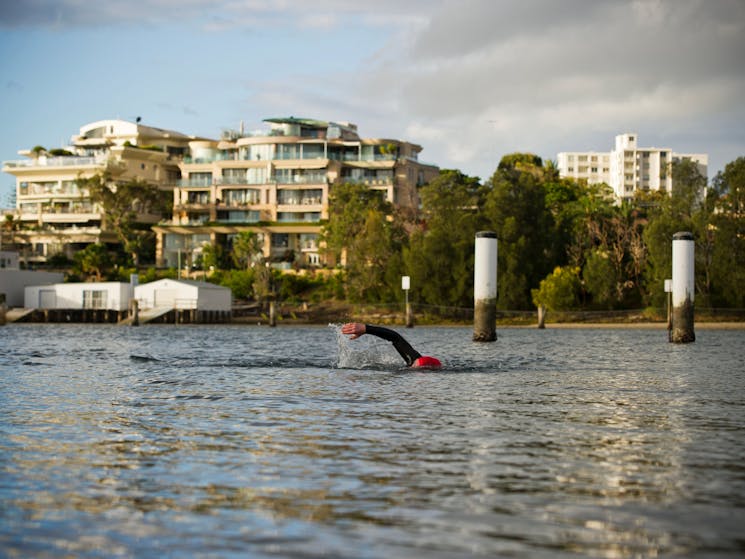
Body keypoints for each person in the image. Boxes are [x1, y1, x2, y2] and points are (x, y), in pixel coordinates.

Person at [341, 323, 442, 369]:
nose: (414, 365)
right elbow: (395, 337)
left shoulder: (413, 363)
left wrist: (367, 329)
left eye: (417, 365)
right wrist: (366, 329)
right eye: (416, 364)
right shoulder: (413, 360)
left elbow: (395, 337)